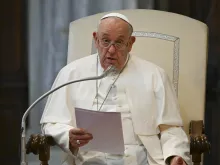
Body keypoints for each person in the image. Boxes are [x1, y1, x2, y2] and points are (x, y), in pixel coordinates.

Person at [40, 13, 191, 165]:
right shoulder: (72, 73)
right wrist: (67, 135)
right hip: (90, 159)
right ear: (96, 39)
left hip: (140, 160)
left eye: (119, 43)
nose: (111, 50)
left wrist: (175, 156)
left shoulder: (155, 75)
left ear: (130, 43)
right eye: (105, 41)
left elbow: (171, 128)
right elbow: (51, 123)